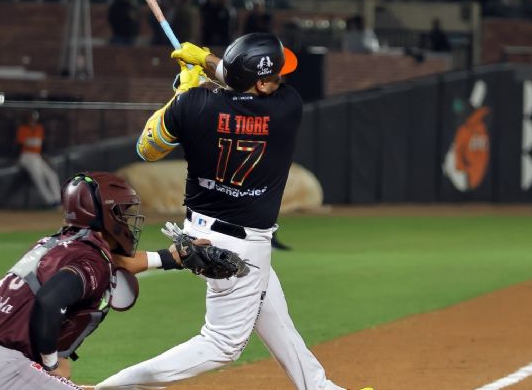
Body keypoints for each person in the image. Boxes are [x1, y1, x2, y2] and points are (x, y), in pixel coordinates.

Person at [98, 33, 346, 389]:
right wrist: (209, 62)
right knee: (221, 344)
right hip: (241, 247)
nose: (283, 79)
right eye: (276, 74)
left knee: (276, 320)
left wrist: (183, 92)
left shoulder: (194, 105)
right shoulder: (287, 107)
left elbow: (146, 148)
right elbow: (243, 87)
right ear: (261, 82)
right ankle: (113, 388)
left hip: (201, 233)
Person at [0, 172, 203, 390]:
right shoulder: (91, 259)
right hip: (0, 370)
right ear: (105, 215)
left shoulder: (57, 244)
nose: (126, 220)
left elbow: (120, 263)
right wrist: (51, 364)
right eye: (121, 212)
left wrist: (172, 258)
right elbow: (49, 302)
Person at [16, 110, 61, 207]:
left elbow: (41, 146)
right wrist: (17, 159)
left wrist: (45, 157)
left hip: (37, 156)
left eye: (34, 118)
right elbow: (19, 146)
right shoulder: (23, 129)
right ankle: (50, 202)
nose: (32, 120)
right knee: (38, 177)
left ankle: (58, 200)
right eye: (31, 118)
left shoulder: (39, 128)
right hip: (26, 156)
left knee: (52, 175)